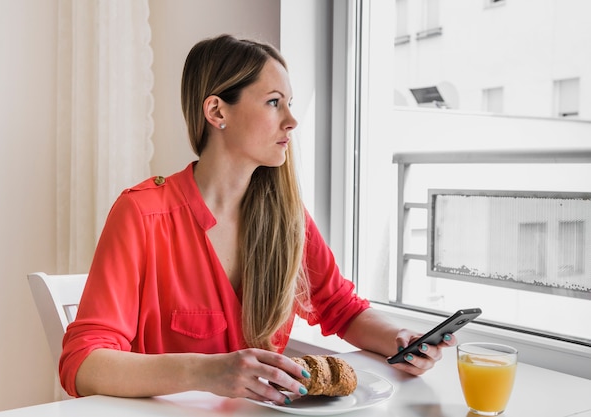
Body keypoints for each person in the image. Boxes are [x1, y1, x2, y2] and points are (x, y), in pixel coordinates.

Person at [59, 34, 455, 404]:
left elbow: (341, 308)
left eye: (290, 103)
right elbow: (82, 363)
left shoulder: (287, 217)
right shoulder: (143, 214)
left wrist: (401, 339)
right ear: (217, 111)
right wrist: (206, 371)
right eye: (273, 102)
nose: (291, 121)